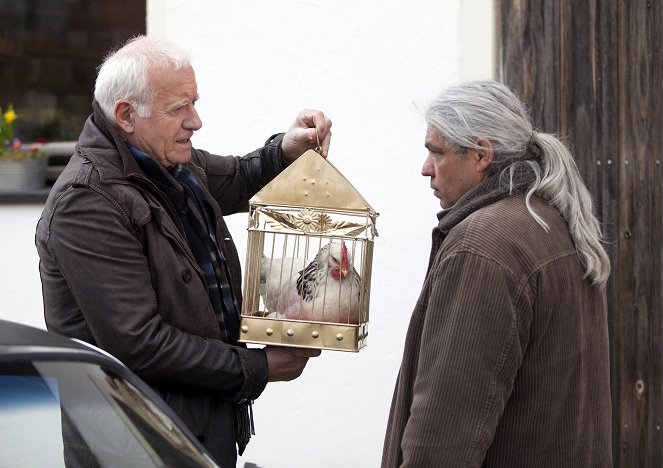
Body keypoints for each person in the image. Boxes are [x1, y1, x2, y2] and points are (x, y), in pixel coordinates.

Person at [35, 35, 329, 466]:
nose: (196, 121)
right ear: (126, 115)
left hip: (191, 430)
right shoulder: (87, 202)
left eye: (194, 102)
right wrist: (258, 368)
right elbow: (141, 342)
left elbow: (239, 178)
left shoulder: (169, 163)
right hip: (136, 443)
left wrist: (287, 150)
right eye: (179, 108)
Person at [381, 80, 612, 467]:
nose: (425, 169)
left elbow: (442, 437)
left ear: (481, 154)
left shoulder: (483, 246)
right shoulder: (552, 221)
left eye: (436, 152)